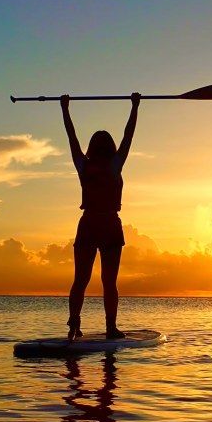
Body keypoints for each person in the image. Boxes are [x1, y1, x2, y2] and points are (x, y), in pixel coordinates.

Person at [60, 92, 140, 340]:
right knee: (109, 282)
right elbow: (129, 136)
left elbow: (71, 137)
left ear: (92, 147)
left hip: (89, 224)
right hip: (108, 225)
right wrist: (135, 106)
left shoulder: (83, 165)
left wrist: (65, 108)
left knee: (80, 280)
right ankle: (110, 327)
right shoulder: (115, 164)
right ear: (111, 147)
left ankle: (75, 324)